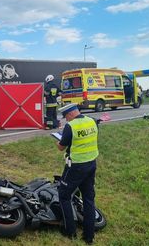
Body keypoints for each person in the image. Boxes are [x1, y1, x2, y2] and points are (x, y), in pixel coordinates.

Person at [56, 103, 99, 244]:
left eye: (66, 117)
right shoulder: (91, 120)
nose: (66, 120)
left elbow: (61, 147)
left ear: (69, 114)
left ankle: (70, 231)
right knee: (88, 199)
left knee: (64, 195)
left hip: (76, 166)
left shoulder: (71, 126)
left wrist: (58, 140)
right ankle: (89, 236)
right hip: (91, 164)